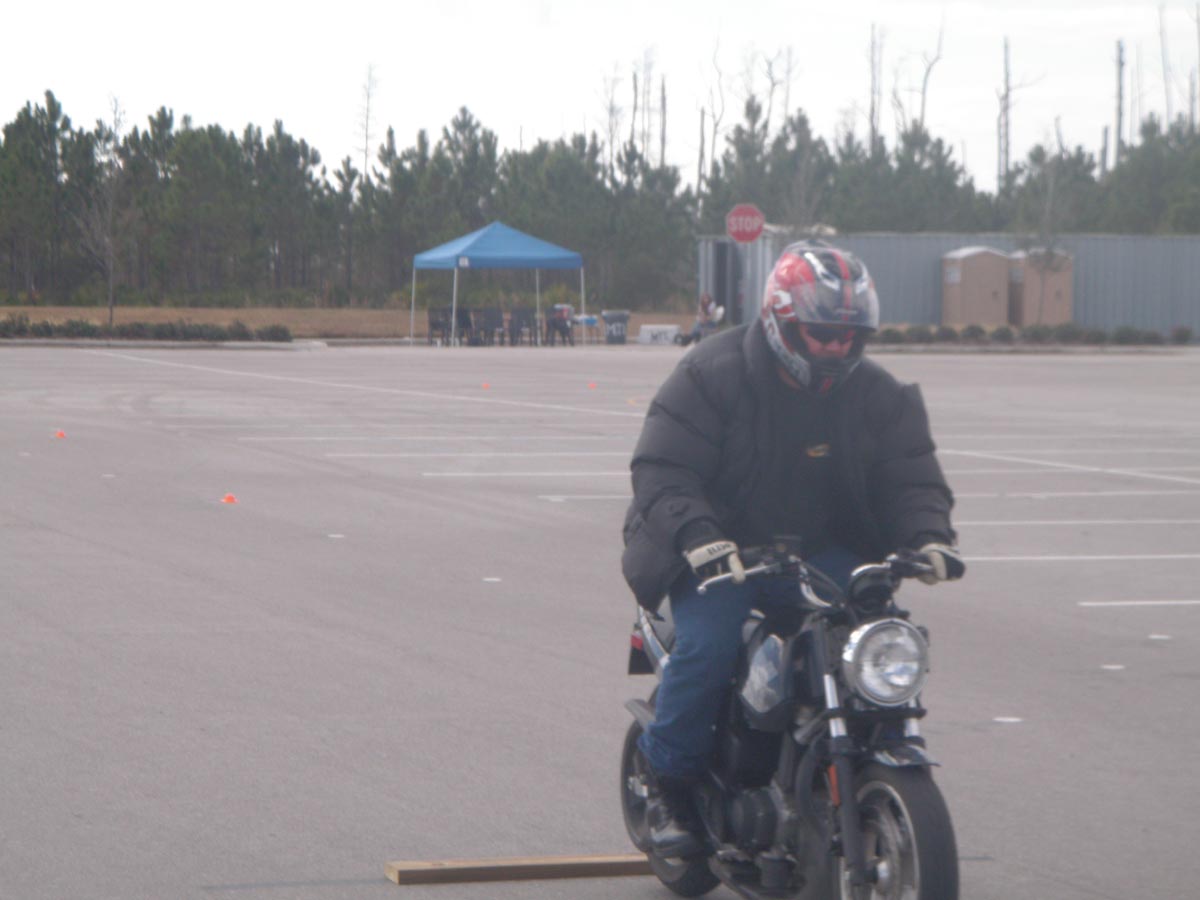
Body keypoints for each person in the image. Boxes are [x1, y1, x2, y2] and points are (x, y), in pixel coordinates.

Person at [620, 241, 964, 857]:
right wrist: (700, 535)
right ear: (781, 321)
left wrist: (929, 536)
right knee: (709, 643)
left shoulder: (876, 393)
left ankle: (874, 750)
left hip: (815, 549)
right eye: (822, 333)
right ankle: (668, 783)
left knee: (877, 628)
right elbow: (663, 468)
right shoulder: (711, 373)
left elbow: (910, 475)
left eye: (849, 336)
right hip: (713, 547)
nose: (837, 347)